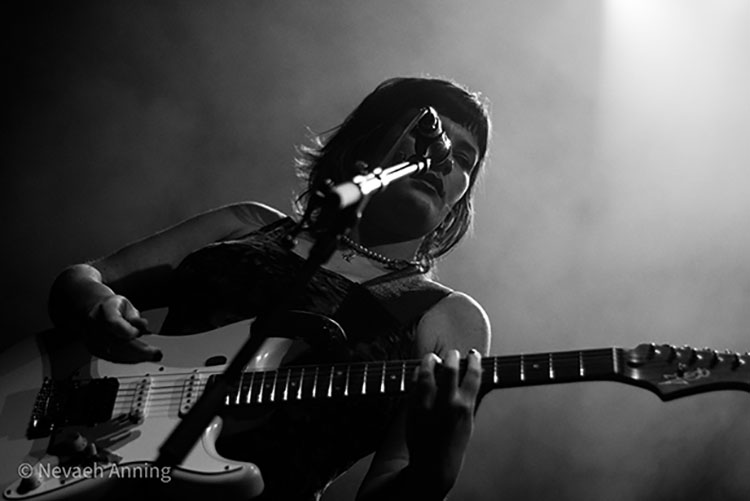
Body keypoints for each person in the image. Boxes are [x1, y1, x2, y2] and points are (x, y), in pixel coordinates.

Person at [48, 76, 492, 500]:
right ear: (369, 140)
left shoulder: (447, 317)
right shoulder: (245, 225)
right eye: (428, 133)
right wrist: (95, 303)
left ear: (462, 196)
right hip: (84, 459)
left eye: (464, 159)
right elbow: (85, 277)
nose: (444, 159)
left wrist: (434, 472)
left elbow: (389, 484)